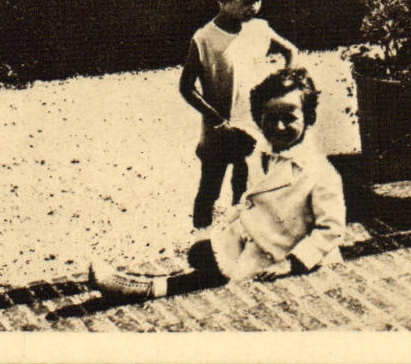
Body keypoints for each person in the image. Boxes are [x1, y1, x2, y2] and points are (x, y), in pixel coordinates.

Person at [92, 67, 345, 297]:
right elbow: (253, 203)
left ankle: (143, 289)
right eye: (270, 118)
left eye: (289, 118)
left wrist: (292, 263)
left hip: (284, 253)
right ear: (259, 119)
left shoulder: (319, 171)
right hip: (257, 237)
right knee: (202, 254)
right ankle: (149, 282)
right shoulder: (263, 153)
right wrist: (224, 225)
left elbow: (331, 229)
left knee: (211, 276)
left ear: (309, 118)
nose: (278, 127)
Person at [179, 0, 298, 262]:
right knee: (210, 186)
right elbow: (186, 87)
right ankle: (201, 239)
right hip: (220, 131)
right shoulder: (205, 39)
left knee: (243, 185)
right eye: (246, 2)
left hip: (250, 127)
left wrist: (284, 84)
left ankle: (237, 237)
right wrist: (216, 119)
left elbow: (290, 51)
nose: (254, 7)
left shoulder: (259, 29)